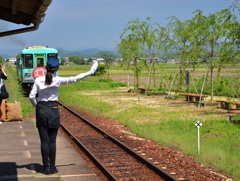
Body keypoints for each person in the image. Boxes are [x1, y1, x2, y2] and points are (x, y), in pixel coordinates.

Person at [29, 57, 98, 175]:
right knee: (52, 141)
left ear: (46, 68)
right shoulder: (58, 80)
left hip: (41, 109)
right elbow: (75, 78)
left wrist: (38, 106)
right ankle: (52, 167)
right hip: (54, 109)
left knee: (44, 141)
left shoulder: (38, 80)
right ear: (57, 69)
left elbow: (31, 96)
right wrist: (90, 72)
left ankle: (45, 168)